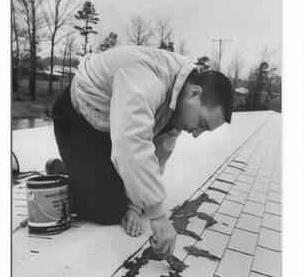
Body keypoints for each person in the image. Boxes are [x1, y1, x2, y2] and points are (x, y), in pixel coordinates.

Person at [48, 45, 233, 259]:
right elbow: (130, 142)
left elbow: (156, 157)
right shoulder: (148, 79)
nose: (196, 134)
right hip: (77, 118)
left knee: (135, 196)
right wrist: (158, 216)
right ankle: (59, 172)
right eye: (202, 123)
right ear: (195, 92)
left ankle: (83, 173)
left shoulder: (178, 103)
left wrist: (134, 207)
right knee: (107, 209)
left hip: (109, 128)